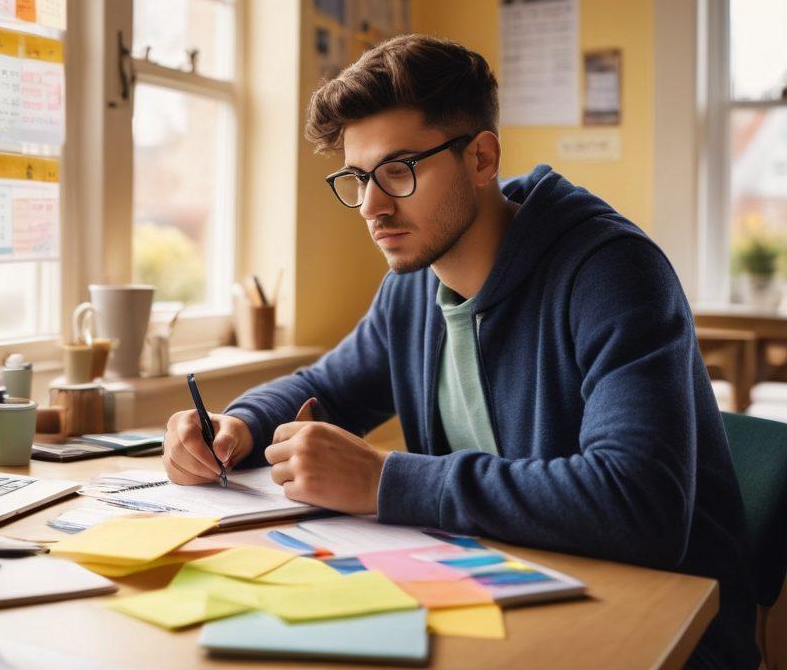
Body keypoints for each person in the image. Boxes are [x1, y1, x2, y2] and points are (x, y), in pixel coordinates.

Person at [162, 34, 758, 669]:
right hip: (497, 601)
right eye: (357, 177)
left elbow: (639, 506)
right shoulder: (414, 285)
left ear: (482, 157)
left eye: (398, 169)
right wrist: (236, 427)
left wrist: (384, 479)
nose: (372, 206)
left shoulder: (612, 274)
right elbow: (330, 385)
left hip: (660, 635)